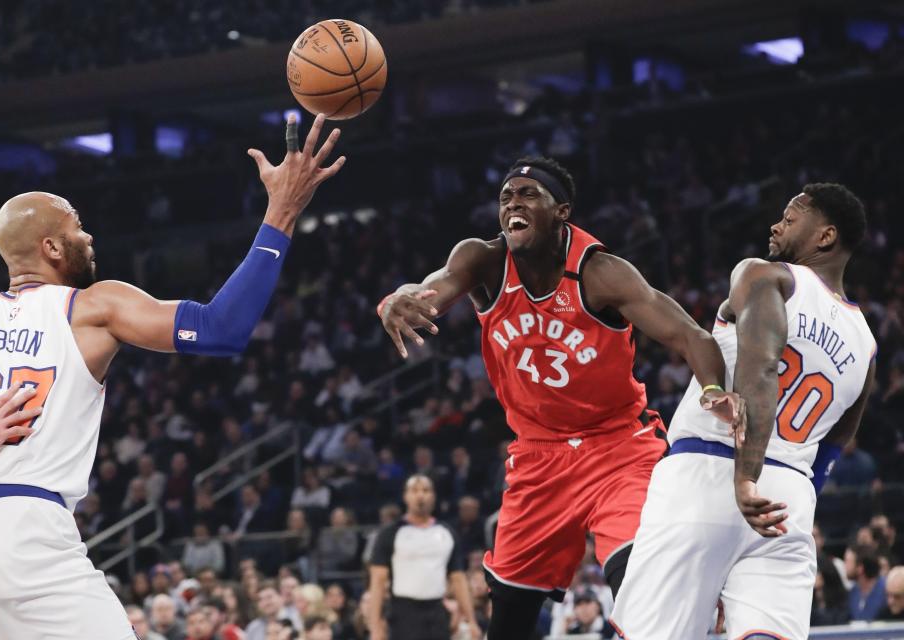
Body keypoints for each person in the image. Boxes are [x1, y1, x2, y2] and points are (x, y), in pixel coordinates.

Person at [0, 114, 345, 639]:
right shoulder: (91, 305)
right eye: (77, 227)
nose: (88, 236)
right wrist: (282, 211)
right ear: (52, 249)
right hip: (25, 535)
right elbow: (220, 329)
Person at [378, 156, 738, 638]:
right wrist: (394, 300)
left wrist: (714, 389)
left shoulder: (601, 272)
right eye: (506, 197)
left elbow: (690, 336)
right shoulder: (482, 259)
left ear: (561, 210)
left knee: (644, 583)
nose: (513, 205)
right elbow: (428, 289)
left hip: (619, 448)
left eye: (528, 194)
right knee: (508, 621)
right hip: (538, 456)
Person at [612, 184, 877, 639]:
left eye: (791, 219)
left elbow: (761, 369)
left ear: (826, 236)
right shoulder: (867, 343)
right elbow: (835, 444)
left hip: (713, 471)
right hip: (788, 500)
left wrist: (745, 477)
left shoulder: (766, 276)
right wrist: (792, 496)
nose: (776, 225)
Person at [367, 475, 480, 640]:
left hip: (437, 610)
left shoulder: (446, 533)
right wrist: (375, 625)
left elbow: (458, 578)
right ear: (405, 496)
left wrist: (471, 620)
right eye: (414, 491)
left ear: (433, 496)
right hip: (403, 612)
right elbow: (377, 581)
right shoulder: (389, 534)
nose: (420, 495)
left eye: (425, 490)